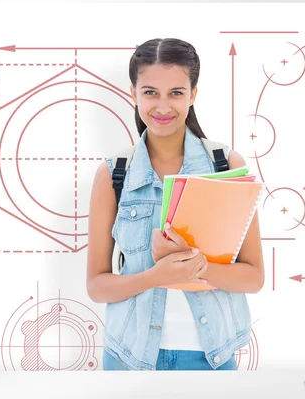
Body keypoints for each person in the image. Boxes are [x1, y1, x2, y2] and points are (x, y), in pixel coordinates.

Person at [86, 38, 265, 371]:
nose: (163, 106)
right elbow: (97, 286)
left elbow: (253, 278)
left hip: (210, 358)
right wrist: (155, 276)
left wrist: (197, 268)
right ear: (133, 93)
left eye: (176, 93)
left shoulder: (225, 165)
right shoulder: (113, 175)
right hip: (128, 358)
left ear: (193, 94)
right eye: (150, 92)